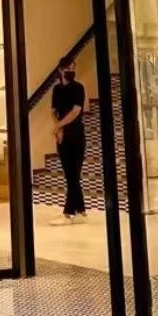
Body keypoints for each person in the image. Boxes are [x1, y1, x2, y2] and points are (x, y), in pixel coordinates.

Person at [51, 61, 87, 222]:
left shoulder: (78, 87)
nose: (71, 71)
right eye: (68, 68)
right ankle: (81, 211)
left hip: (76, 133)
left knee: (74, 174)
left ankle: (68, 212)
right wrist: (58, 128)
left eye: (73, 68)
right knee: (70, 175)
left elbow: (76, 111)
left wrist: (58, 126)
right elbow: (53, 111)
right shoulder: (57, 89)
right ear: (61, 70)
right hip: (63, 135)